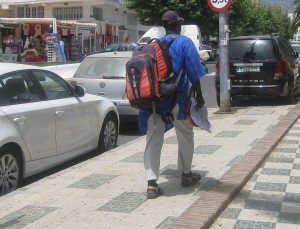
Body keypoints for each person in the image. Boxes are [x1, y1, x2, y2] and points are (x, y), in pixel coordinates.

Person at [139, 10, 206, 199]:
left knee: (152, 139)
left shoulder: (153, 44)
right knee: (185, 135)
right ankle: (186, 174)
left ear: (164, 26)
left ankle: (152, 184)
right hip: (178, 98)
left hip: (153, 100)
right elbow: (194, 71)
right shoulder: (184, 42)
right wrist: (199, 95)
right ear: (178, 25)